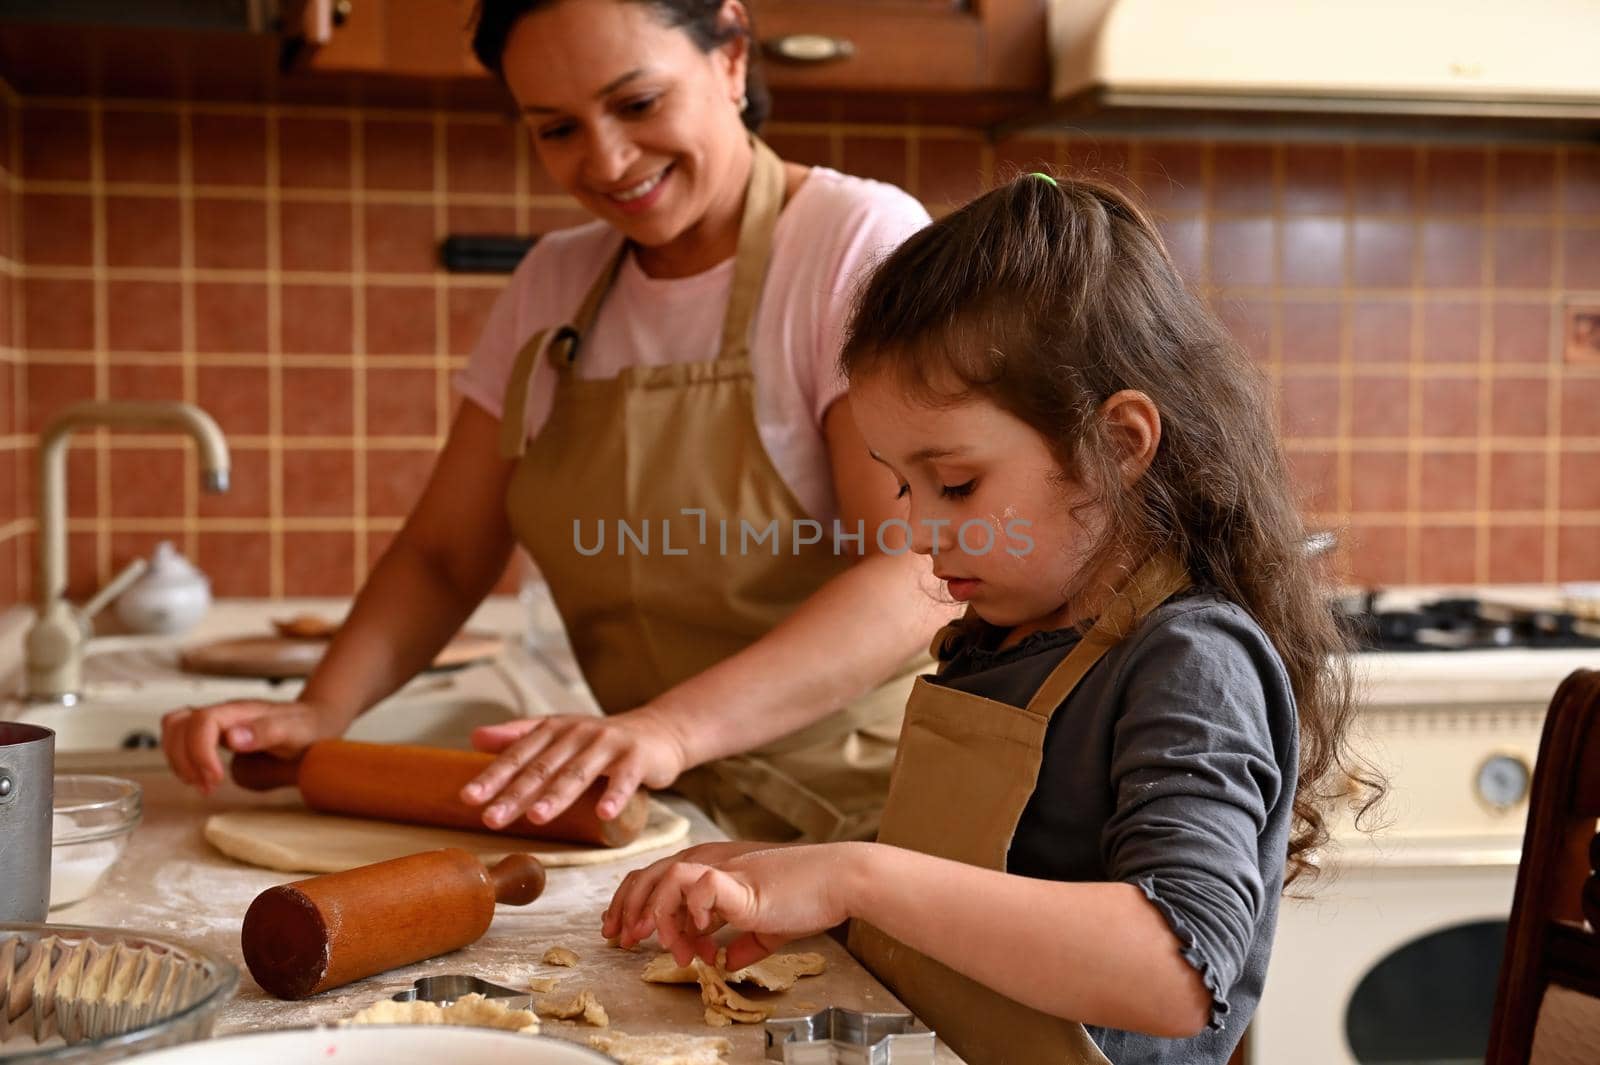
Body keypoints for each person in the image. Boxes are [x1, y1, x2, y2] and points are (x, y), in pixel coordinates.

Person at [601, 173, 1383, 1063]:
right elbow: (979, 887)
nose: (918, 529)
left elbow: (1175, 971)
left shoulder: (1189, 660)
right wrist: (763, 874)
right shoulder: (1004, 639)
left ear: (1119, 443)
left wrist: (855, 876)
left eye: (958, 483)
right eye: (904, 483)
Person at [160, 0, 953, 843]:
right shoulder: (555, 282)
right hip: (666, 809)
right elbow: (443, 556)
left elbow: (915, 570)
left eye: (638, 104)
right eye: (556, 128)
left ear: (731, 53)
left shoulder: (854, 241)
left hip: (871, 807)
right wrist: (321, 707)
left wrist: (671, 728)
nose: (607, 160)